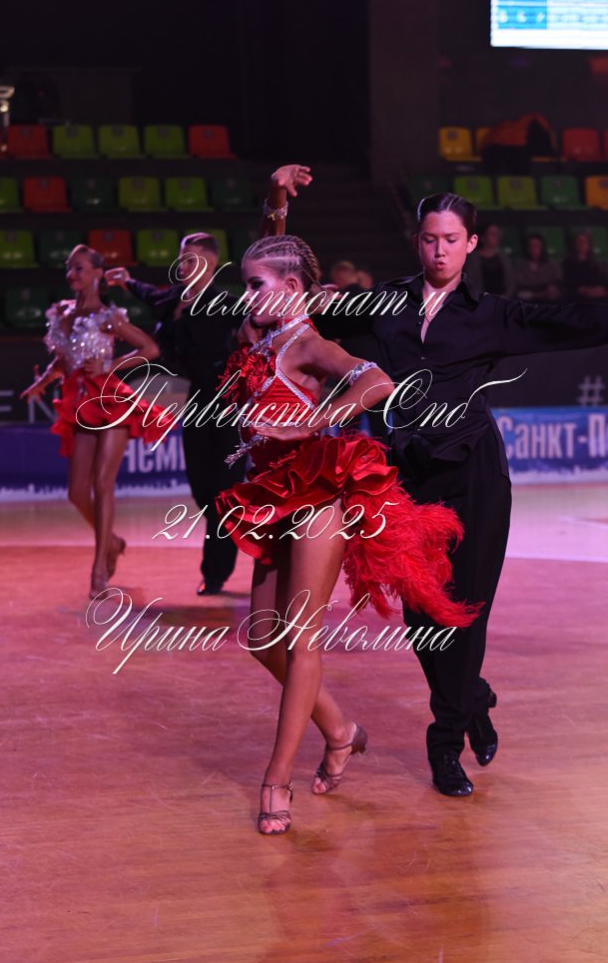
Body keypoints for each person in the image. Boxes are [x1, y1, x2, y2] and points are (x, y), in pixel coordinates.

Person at [215, 231, 480, 836]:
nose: (246, 295)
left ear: (290, 287)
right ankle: (340, 730)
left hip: (317, 495)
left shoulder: (309, 343)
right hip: (271, 496)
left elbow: (378, 382)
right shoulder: (266, 340)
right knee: (262, 639)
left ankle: (276, 780)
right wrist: (277, 200)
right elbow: (278, 239)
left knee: (301, 641)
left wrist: (310, 420)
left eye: (255, 284)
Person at [360, 193, 608, 797]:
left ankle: (444, 744)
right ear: (416, 241)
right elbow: (304, 313)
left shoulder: (491, 313)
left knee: (464, 610)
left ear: (471, 244)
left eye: (451, 240)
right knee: (420, 614)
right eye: (429, 239)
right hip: (406, 477)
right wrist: (276, 214)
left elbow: (567, 322)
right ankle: (471, 695)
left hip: (474, 476)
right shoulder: (384, 304)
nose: (439, 250)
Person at [21, 244, 168, 599]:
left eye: (80, 268)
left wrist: (109, 366)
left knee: (103, 484)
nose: (72, 274)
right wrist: (43, 382)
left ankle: (99, 568)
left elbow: (150, 349)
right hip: (79, 403)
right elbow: (64, 359)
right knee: (76, 492)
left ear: (98, 274)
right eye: (69, 268)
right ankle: (113, 542)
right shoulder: (62, 312)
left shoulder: (108, 316)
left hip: (108, 401)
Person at [106, 234, 246, 596]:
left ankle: (215, 572)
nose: (182, 266)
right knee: (201, 488)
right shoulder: (173, 299)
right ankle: (224, 539)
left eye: (191, 260)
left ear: (210, 264)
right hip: (199, 400)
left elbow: (262, 317)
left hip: (229, 402)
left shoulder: (227, 304)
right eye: (181, 259)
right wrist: (127, 281)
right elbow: (150, 295)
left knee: (224, 491)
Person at [464, 222, 516, 297]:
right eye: (492, 234)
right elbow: (471, 283)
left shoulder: (505, 258)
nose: (496, 236)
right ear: (483, 238)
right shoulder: (473, 259)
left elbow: (511, 282)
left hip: (504, 300)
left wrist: (506, 298)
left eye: (497, 233)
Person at [514, 232, 562, 302]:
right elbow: (520, 286)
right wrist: (539, 293)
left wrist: (552, 287)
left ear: (542, 247)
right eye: (530, 246)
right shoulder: (520, 265)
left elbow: (558, 280)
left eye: (536, 246)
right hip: (527, 300)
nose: (533, 249)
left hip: (548, 300)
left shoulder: (552, 264)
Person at [562, 231, 608, 303]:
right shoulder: (567, 264)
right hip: (576, 299)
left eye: (585, 242)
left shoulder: (596, 264)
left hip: (596, 299)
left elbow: (602, 280)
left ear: (589, 245)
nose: (582, 244)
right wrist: (585, 290)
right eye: (579, 241)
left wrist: (601, 290)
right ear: (574, 244)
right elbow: (568, 284)